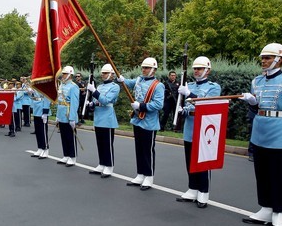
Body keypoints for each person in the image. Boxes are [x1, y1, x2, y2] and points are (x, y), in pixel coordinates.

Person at [240, 42, 282, 226]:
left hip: (279, 131)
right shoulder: (257, 81)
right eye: (263, 58)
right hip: (260, 129)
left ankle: (279, 211)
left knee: (277, 174)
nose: (264, 61)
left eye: (268, 58)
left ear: (279, 59)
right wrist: (253, 103)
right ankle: (265, 207)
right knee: (262, 172)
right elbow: (255, 108)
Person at [175, 57, 221, 208]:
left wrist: (189, 94)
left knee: (202, 161)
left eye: (199, 68)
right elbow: (189, 106)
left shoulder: (214, 87)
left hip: (205, 127)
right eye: (195, 68)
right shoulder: (190, 85)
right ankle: (192, 188)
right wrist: (183, 111)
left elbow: (207, 103)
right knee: (190, 160)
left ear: (208, 70)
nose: (196, 71)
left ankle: (203, 192)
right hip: (190, 125)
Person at [118, 57, 164, 190]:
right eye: (143, 67)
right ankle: (140, 174)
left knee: (147, 150)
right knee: (138, 148)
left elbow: (158, 104)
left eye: (147, 68)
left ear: (154, 70)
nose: (144, 70)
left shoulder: (158, 85)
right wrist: (122, 80)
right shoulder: (138, 80)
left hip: (149, 122)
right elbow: (128, 83)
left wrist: (141, 105)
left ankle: (149, 176)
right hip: (137, 120)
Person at [87, 64, 120, 178]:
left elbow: (106, 100)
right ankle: (102, 163)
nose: (103, 75)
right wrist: (91, 104)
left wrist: (94, 91)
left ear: (111, 74)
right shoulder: (100, 87)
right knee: (100, 143)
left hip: (107, 118)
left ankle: (109, 166)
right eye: (102, 73)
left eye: (105, 73)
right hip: (98, 117)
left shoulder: (115, 87)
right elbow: (96, 101)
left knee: (107, 144)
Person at [56, 66, 80, 167]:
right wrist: (57, 115)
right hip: (61, 113)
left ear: (70, 75)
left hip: (69, 113)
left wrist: (72, 118)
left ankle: (72, 156)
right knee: (63, 136)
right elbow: (59, 101)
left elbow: (75, 103)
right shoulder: (61, 85)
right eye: (63, 74)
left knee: (70, 136)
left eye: (65, 74)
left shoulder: (73, 86)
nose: (63, 75)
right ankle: (66, 155)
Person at [30, 87, 51, 158]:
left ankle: (45, 149)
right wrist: (31, 93)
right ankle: (40, 148)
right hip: (36, 110)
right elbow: (34, 98)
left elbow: (47, 99)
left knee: (43, 131)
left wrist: (45, 112)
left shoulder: (45, 87)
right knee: (38, 131)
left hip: (42, 110)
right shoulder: (36, 87)